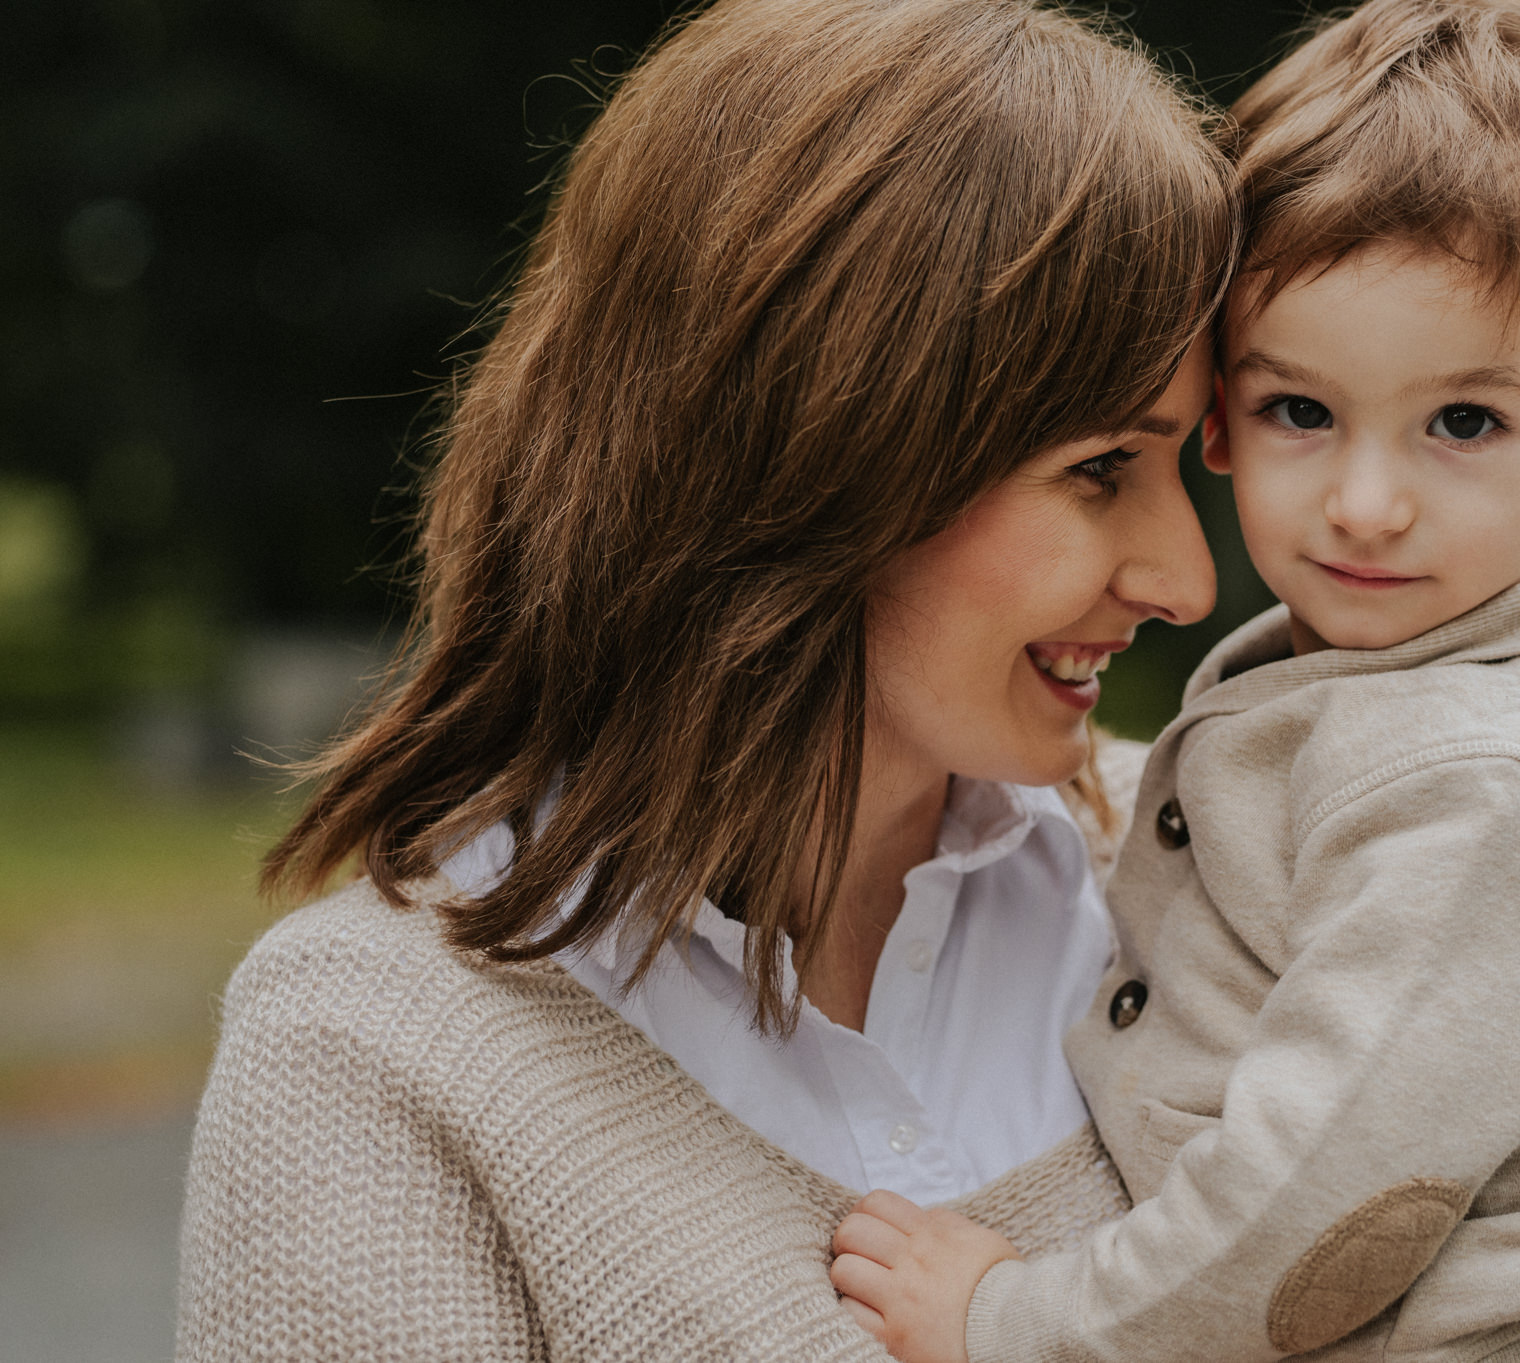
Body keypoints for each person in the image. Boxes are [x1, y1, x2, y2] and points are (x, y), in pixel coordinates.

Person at [173, 0, 1236, 1356]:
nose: (1185, 580)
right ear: (823, 451)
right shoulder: (375, 1057)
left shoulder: (1218, 875)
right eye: (1101, 470)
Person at [829, 3, 1520, 1361]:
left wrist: (1015, 1324)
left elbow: (1311, 1209)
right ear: (1221, 409)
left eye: (1464, 422)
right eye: (1303, 410)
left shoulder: (1477, 788)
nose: (1364, 503)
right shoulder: (1339, 693)